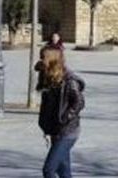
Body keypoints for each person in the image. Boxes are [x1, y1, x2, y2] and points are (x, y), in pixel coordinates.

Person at [37, 47, 85, 178]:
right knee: (64, 172)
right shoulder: (49, 76)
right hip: (55, 130)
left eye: (43, 57)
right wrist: (46, 126)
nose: (41, 60)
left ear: (52, 60)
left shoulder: (69, 81)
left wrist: (65, 118)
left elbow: (79, 102)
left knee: (49, 169)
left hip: (67, 131)